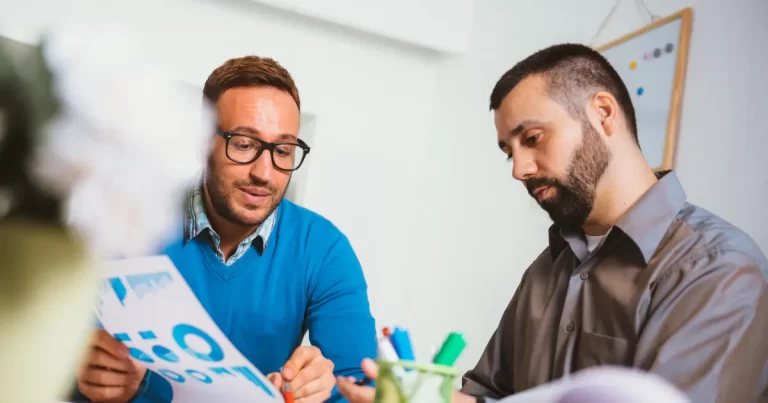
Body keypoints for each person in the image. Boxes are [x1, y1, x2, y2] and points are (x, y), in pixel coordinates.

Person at [338, 43, 768, 403]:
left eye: (533, 139)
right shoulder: (549, 268)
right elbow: (488, 392)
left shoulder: (720, 269)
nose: (519, 169)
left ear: (602, 113)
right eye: (510, 151)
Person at [72, 55, 377, 403]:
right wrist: (96, 380)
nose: (265, 172)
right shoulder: (128, 220)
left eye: (283, 149)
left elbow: (363, 391)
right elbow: (54, 360)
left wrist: (326, 388)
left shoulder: (324, 250)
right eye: (244, 144)